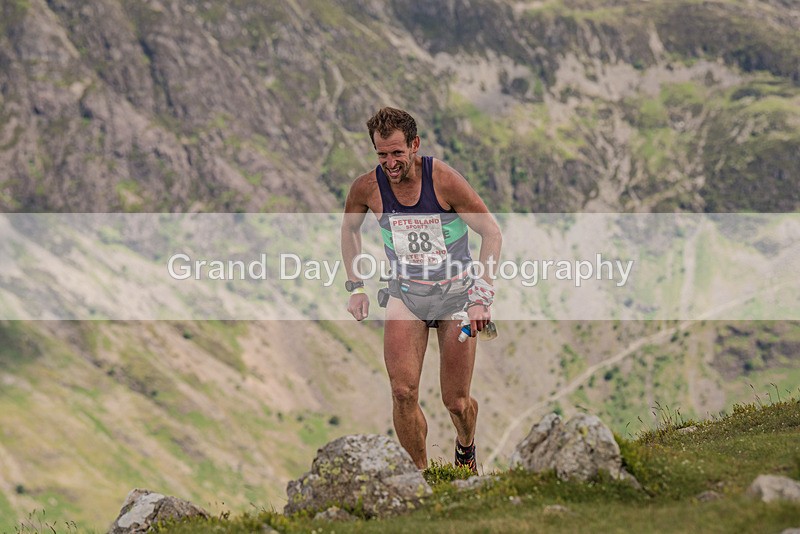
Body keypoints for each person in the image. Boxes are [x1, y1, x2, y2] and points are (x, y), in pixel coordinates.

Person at [340, 107, 502, 472]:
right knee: (402, 392)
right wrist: (356, 287)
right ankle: (421, 476)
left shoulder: (442, 179)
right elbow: (349, 229)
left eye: (397, 153)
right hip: (406, 295)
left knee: (457, 402)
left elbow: (491, 232)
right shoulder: (368, 188)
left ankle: (465, 446)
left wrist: (482, 296)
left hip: (456, 297)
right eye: (382, 154)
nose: (390, 163)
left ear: (414, 145)